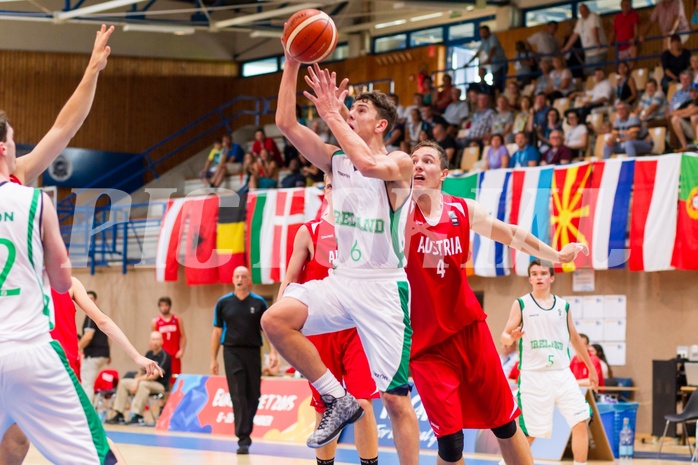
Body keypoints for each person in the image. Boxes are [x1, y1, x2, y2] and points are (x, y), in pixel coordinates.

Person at [266, 36, 419, 463]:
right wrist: (291, 61)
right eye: (348, 112)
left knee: (395, 401)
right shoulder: (336, 160)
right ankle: (337, 399)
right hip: (340, 281)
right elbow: (285, 124)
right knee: (276, 319)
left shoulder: (400, 164)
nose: (350, 116)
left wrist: (333, 114)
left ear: (382, 125)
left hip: (383, 288)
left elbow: (370, 164)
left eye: (360, 112)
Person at [407, 141, 588, 465]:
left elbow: (513, 235)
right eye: (414, 160)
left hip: (469, 332)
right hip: (426, 343)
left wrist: (556, 255)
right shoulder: (397, 211)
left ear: (444, 173)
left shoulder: (462, 209)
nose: (418, 165)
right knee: (450, 443)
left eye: (428, 160)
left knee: (505, 424)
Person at [278, 175, 379, 465]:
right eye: (331, 184)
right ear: (325, 190)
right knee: (325, 406)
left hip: (356, 327)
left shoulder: (367, 231)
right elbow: (288, 281)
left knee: (362, 402)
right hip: (319, 330)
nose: (337, 190)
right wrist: (278, 335)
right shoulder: (309, 231)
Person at [501, 260, 598, 465]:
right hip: (533, 376)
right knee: (529, 434)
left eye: (543, 273)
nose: (539, 277)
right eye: (534, 274)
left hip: (562, 374)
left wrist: (591, 368)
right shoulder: (521, 304)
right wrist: (512, 337)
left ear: (551, 277)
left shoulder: (563, 306)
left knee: (580, 421)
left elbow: (575, 338)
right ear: (529, 279)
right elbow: (504, 337)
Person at [210, 266, 278, 455]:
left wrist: (273, 353)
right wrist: (213, 359)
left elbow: (267, 331)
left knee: (253, 394)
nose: (240, 279)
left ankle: (245, 429)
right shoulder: (223, 303)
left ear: (249, 280)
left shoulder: (259, 303)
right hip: (231, 352)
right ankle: (243, 438)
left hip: (253, 352)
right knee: (238, 393)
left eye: (243, 276)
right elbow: (216, 333)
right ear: (233, 279)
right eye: (237, 276)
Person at [107, 332, 171, 426]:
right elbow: (141, 371)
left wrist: (137, 381)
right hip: (144, 381)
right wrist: (135, 381)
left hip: (159, 385)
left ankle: (137, 415)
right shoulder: (149, 354)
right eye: (153, 339)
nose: (155, 342)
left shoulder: (165, 356)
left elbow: (154, 375)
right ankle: (119, 414)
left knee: (143, 384)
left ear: (162, 341)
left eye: (157, 339)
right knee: (124, 383)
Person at [79, 289, 111, 404]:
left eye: (91, 299)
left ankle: (88, 412)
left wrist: (77, 348)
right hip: (103, 354)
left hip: (94, 354)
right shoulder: (100, 314)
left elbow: (88, 336)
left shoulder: (90, 315)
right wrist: (108, 353)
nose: (89, 301)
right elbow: (109, 335)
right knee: (89, 382)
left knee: (87, 383)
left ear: (96, 301)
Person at [561, 4, 608, 75]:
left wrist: (597, 42)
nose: (583, 13)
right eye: (581, 12)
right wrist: (566, 48)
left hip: (598, 51)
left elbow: (594, 29)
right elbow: (574, 35)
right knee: (589, 72)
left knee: (597, 72)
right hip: (588, 53)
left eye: (584, 11)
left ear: (588, 10)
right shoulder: (580, 21)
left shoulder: (593, 17)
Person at [151, 296, 186, 385]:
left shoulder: (177, 319)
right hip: (163, 355)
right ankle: (164, 398)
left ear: (169, 306)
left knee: (175, 378)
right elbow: (153, 338)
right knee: (163, 378)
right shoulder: (155, 321)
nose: (164, 307)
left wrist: (182, 349)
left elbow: (183, 336)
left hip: (175, 355)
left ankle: (174, 398)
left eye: (166, 305)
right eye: (162, 305)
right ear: (159, 307)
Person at [468, 25, 508, 92]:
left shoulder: (493, 37)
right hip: (494, 66)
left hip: (500, 64)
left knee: (499, 83)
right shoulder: (484, 41)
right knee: (496, 82)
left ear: (488, 31)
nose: (482, 34)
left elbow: (493, 49)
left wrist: (488, 59)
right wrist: (468, 63)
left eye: (483, 32)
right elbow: (478, 52)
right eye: (481, 32)